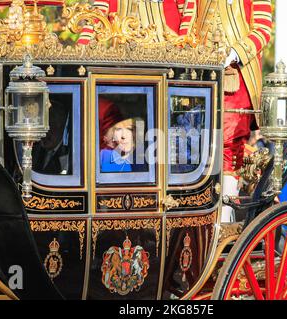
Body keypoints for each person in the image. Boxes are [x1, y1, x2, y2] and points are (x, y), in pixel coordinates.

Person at [197, 0, 273, 222]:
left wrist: (234, 53)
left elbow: (262, 29)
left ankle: (225, 214)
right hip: (199, 73)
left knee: (228, 142)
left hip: (236, 77)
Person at [77, 0, 198, 45]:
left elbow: (187, 9)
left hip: (168, 45)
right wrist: (82, 45)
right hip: (123, 49)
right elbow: (98, 14)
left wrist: (184, 41)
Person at [32, 100, 70, 175]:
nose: (44, 133)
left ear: (61, 126)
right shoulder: (36, 150)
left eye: (50, 125)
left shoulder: (67, 154)